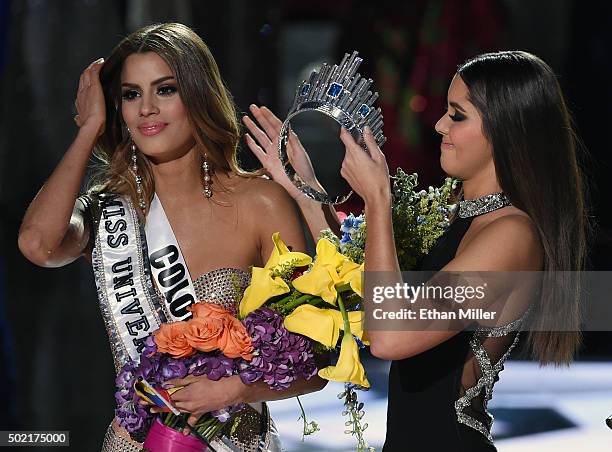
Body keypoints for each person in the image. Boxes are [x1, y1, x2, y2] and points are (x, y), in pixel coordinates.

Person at [242, 50, 588, 451]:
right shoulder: (463, 218)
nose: (439, 124)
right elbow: (367, 296)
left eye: (457, 116)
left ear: (507, 129)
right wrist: (307, 193)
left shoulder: (511, 235)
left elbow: (390, 337)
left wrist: (378, 198)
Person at [18, 23, 327, 452]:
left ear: (197, 95)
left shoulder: (261, 202)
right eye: (130, 94)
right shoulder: (108, 211)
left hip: (231, 443)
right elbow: (38, 245)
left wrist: (235, 390)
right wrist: (88, 129)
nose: (146, 108)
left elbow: (317, 357)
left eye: (164, 90)